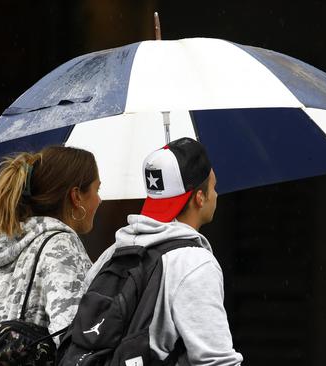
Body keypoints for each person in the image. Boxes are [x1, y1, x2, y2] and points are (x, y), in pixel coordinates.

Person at [85, 137, 243, 365]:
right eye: (213, 187)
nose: (216, 195)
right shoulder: (194, 262)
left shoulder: (115, 250)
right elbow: (216, 360)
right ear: (200, 198)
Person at [0, 146, 101, 364]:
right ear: (76, 196)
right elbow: (76, 340)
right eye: (97, 189)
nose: (99, 200)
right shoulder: (60, 246)